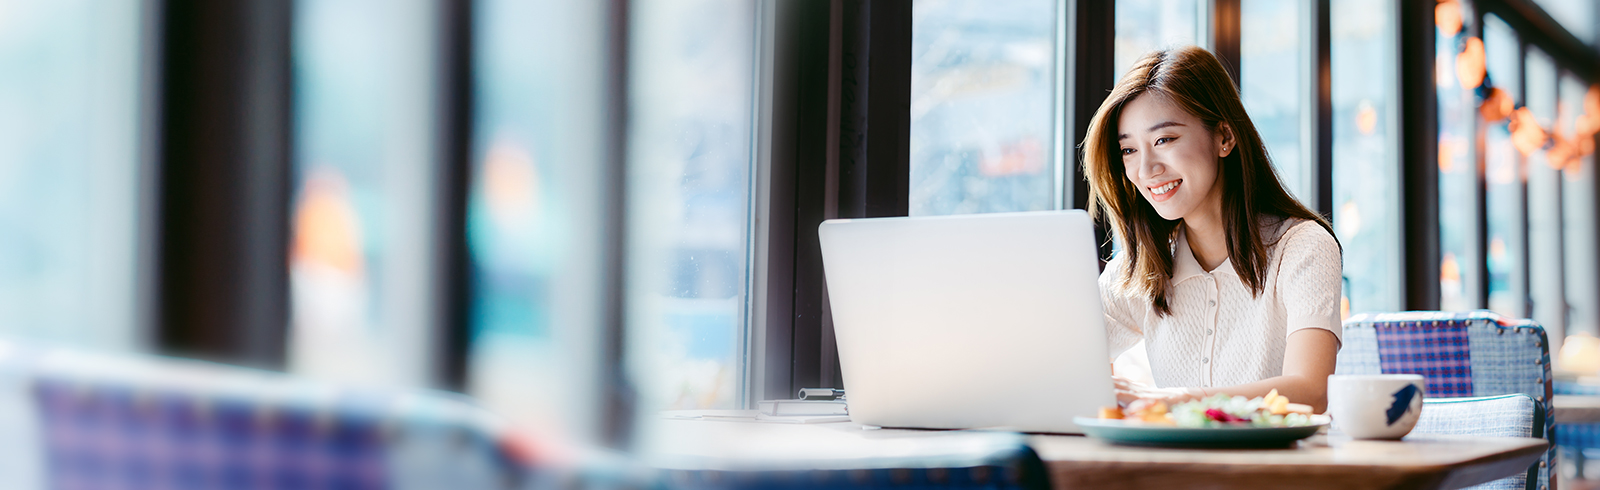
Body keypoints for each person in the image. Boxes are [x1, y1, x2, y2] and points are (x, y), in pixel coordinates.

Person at [1082, 46, 1342, 413]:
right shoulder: (1141, 270)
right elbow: (1062, 363)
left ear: (1224, 137)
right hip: (1176, 468)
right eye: (1128, 151)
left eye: (1164, 140)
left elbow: (1310, 391)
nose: (1146, 169)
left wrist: (1176, 400)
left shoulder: (1302, 247)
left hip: (1281, 467)